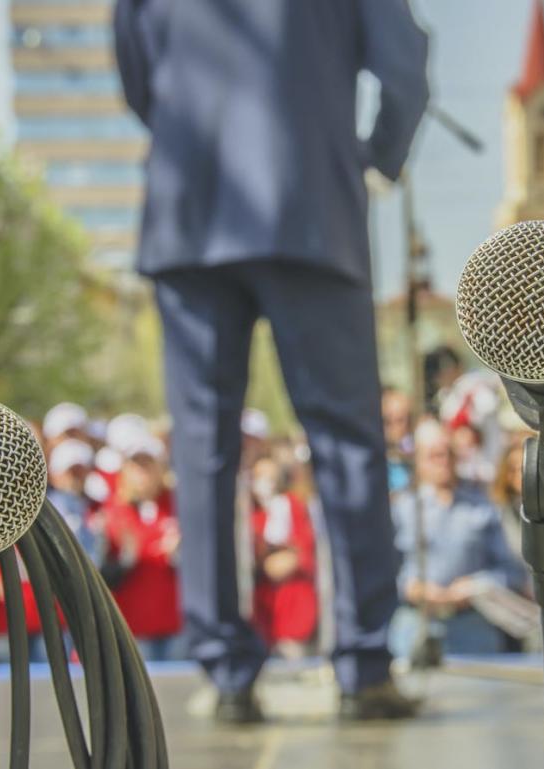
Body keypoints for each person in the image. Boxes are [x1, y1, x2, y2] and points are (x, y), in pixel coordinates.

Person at [114, 0, 429, 722]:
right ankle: (363, 662)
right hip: (310, 203)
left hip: (188, 211)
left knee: (201, 451)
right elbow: (404, 72)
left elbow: (139, 81)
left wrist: (195, 141)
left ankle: (226, 672)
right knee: (347, 443)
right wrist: (371, 159)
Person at [389, 422, 528, 659]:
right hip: (415, 627)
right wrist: (412, 587)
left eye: (449, 452)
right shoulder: (402, 509)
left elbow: (513, 571)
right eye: (434, 455)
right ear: (418, 460)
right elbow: (385, 571)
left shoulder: (483, 506)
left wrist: (473, 586)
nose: (444, 460)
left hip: (473, 629)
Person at [99, 437, 185, 662]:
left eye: (148, 465)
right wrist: (127, 560)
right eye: (137, 466)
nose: (143, 473)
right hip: (132, 626)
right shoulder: (114, 511)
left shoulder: (176, 506)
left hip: (174, 623)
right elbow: (102, 572)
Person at [249, 457, 319, 659]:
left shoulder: (293, 507)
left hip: (293, 616)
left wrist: (290, 559)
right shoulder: (252, 514)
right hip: (263, 618)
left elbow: (305, 553)